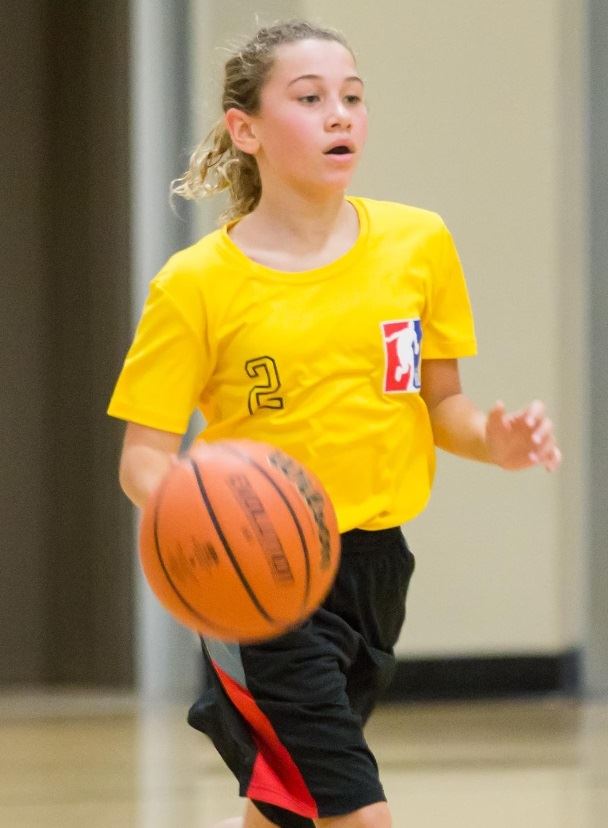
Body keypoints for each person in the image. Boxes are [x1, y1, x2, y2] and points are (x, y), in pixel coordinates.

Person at [108, 19, 561, 828]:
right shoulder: (196, 284)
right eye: (310, 98)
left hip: (376, 567)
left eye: (352, 96)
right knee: (358, 814)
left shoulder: (417, 244)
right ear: (244, 130)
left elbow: (441, 407)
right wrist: (203, 517)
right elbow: (141, 457)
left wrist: (494, 440)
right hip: (259, 585)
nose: (340, 114)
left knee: (285, 810)